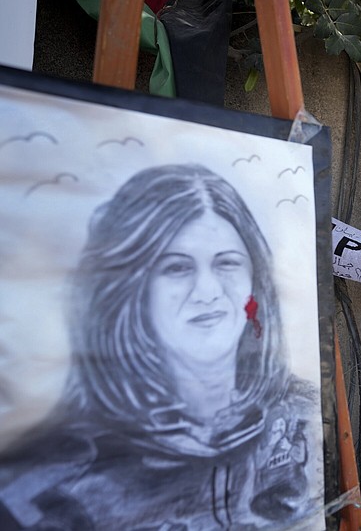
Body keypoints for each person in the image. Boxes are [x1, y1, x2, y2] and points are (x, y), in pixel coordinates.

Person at [0, 165, 321, 530]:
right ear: (133, 291)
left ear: (256, 280)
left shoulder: (303, 415)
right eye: (177, 268)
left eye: (227, 263)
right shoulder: (61, 483)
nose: (208, 291)